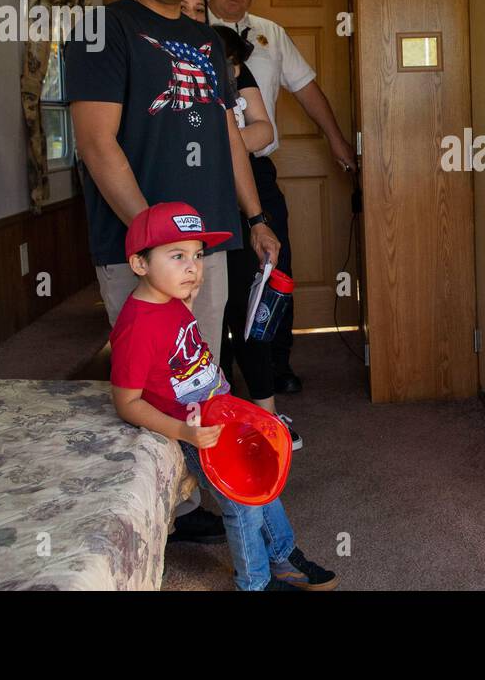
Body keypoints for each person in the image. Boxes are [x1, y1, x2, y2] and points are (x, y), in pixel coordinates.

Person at [65, 0, 281, 545]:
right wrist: (155, 240)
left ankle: (199, 493)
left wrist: (256, 215)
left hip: (209, 239)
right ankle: (171, 512)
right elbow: (98, 143)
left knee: (199, 374)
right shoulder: (101, 30)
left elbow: (229, 135)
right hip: (139, 248)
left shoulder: (209, 41)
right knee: (149, 383)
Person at [109, 201, 336, 591]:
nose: (192, 266)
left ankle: (282, 556)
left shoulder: (170, 297)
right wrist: (186, 433)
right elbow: (127, 402)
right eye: (177, 255)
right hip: (196, 428)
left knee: (262, 476)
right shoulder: (136, 326)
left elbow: (180, 347)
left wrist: (189, 301)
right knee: (242, 505)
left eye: (197, 255)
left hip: (223, 410)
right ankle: (255, 582)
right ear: (139, 264)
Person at [207, 0, 358, 393]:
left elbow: (306, 89)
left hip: (256, 168)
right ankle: (220, 371)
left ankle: (277, 364)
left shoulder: (270, 34)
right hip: (205, 175)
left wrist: (336, 140)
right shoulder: (190, 31)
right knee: (219, 272)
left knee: (274, 265)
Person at [213, 24, 305, 449]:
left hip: (247, 197)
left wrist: (217, 147)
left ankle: (265, 418)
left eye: (233, 63)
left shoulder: (235, 77)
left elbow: (261, 131)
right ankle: (215, 416)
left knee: (250, 309)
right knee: (208, 319)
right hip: (197, 209)